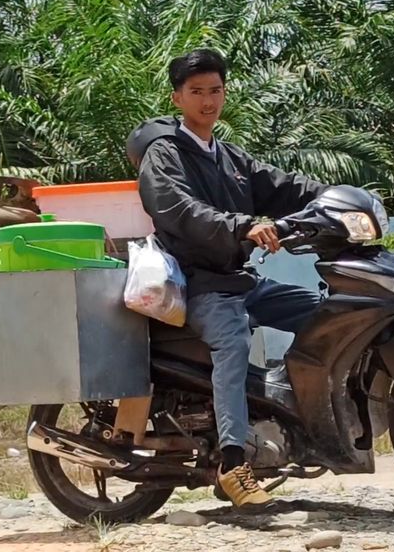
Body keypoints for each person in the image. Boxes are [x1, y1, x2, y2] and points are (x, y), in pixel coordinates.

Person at [134, 48, 330, 512]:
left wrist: (337, 197)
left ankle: (299, 417)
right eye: (197, 92)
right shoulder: (165, 155)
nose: (208, 101)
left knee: (327, 314)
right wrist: (240, 226)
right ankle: (233, 461)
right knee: (233, 343)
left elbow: (282, 186)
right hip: (198, 284)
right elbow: (180, 209)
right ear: (177, 97)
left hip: (241, 280)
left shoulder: (228, 155)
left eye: (215, 91)